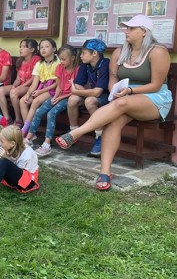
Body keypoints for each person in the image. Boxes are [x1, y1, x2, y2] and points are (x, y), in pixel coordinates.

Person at [55, 14, 172, 191]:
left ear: (144, 32)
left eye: (131, 28)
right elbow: (113, 79)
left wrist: (130, 91)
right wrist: (116, 91)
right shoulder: (119, 52)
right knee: (114, 120)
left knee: (121, 105)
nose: (127, 31)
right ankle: (105, 172)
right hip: (124, 97)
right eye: (126, 28)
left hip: (154, 98)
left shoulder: (158, 52)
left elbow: (156, 85)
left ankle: (76, 133)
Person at [24, 44, 80, 157]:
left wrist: (60, 98)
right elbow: (59, 86)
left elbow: (76, 90)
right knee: (39, 111)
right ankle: (29, 138)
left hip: (69, 97)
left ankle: (46, 144)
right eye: (60, 59)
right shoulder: (60, 68)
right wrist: (55, 97)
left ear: (73, 58)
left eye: (64, 59)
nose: (62, 62)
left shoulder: (77, 70)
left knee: (51, 113)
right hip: (59, 96)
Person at [67, 38, 110, 157]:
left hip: (108, 97)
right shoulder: (85, 65)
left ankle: (99, 136)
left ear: (94, 53)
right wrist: (80, 91)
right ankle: (74, 132)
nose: (81, 56)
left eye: (84, 53)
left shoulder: (105, 64)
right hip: (92, 94)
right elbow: (77, 85)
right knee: (72, 99)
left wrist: (80, 91)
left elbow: (98, 92)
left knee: (90, 101)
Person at [0, 38, 40, 126]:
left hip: (31, 87)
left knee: (14, 92)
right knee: (0, 90)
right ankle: (7, 118)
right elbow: (18, 79)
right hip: (22, 86)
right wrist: (14, 85)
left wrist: (18, 88)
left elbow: (33, 79)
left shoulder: (36, 59)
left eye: (24, 47)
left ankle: (18, 119)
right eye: (20, 47)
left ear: (32, 50)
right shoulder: (21, 61)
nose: (20, 49)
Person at [19, 38, 59, 135]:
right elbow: (34, 83)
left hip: (53, 89)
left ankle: (25, 130)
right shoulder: (39, 64)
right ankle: (29, 129)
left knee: (35, 101)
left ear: (54, 49)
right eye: (41, 47)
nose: (43, 49)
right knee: (23, 101)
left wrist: (40, 92)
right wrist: (28, 93)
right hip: (41, 88)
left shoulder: (58, 62)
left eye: (47, 46)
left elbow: (57, 84)